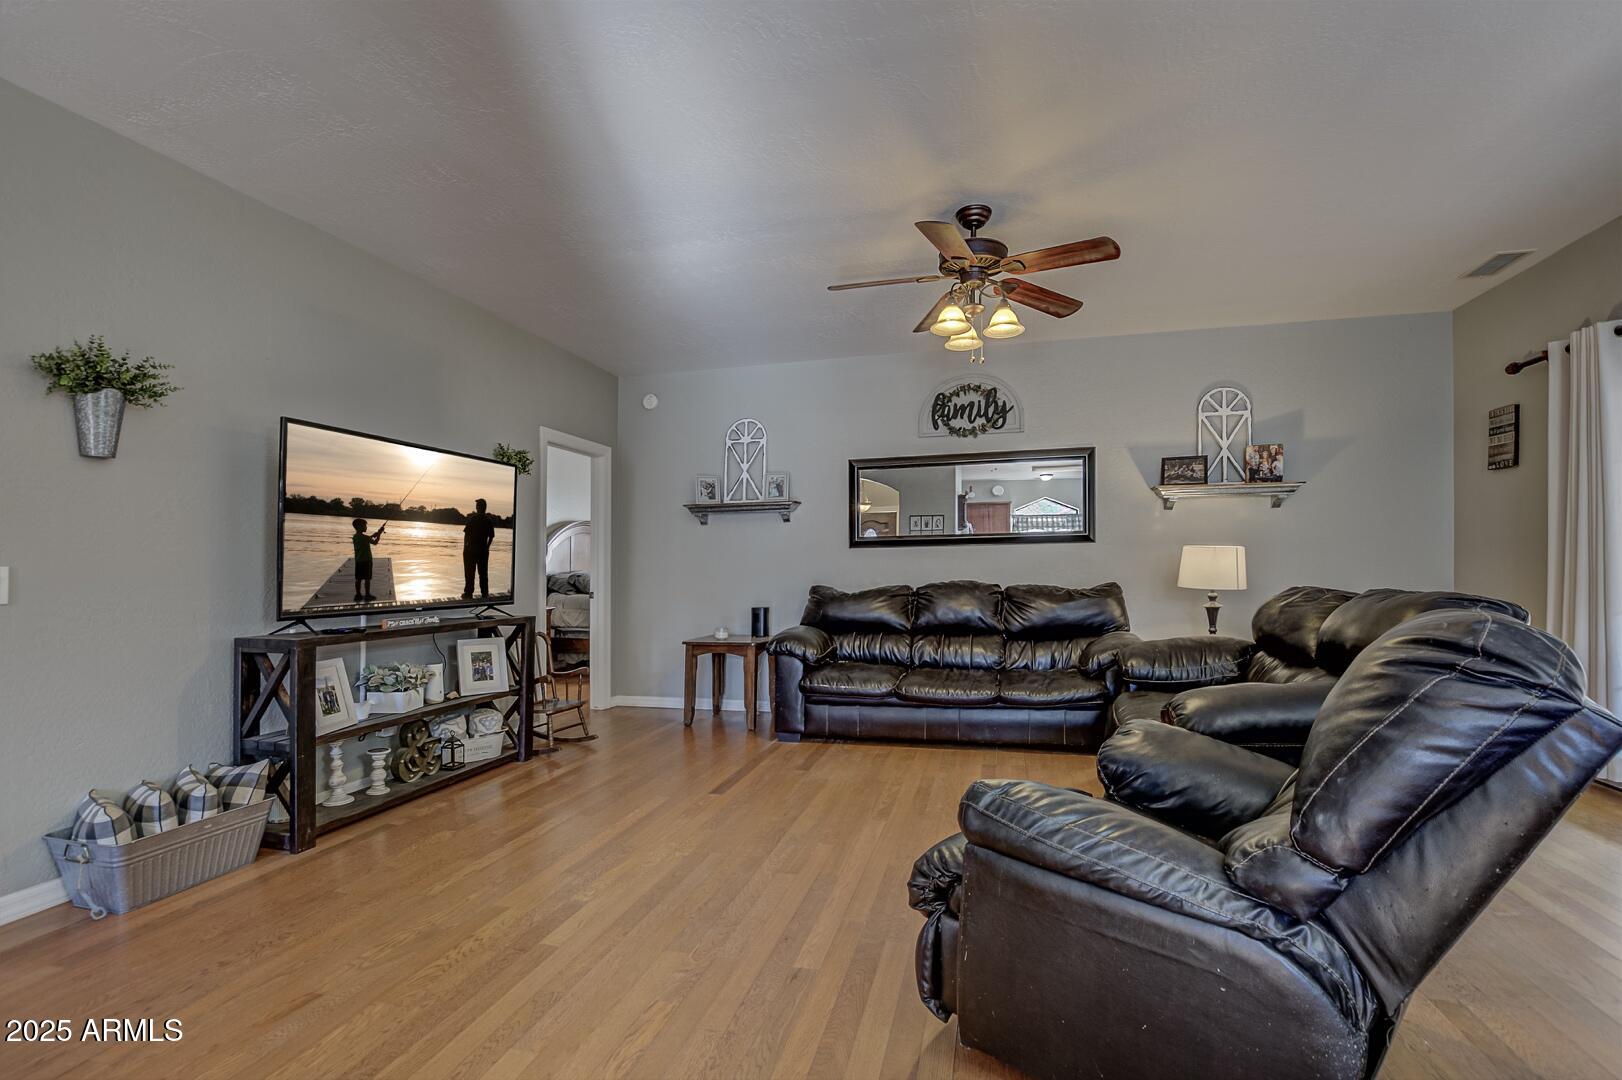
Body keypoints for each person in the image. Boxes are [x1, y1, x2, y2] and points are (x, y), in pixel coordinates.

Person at [462, 498, 497, 599]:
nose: (476, 507)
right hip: (483, 551)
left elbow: (466, 534)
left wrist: (465, 547)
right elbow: (491, 536)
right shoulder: (488, 520)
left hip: (471, 551)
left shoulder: (473, 519)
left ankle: (468, 593)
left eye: (477, 505)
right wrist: (487, 547)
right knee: (483, 574)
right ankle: (484, 594)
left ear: (479, 507)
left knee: (469, 573)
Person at [351, 518, 386, 602]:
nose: (366, 527)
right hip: (367, 561)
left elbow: (366, 539)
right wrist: (379, 534)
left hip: (358, 561)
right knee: (367, 578)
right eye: (365, 525)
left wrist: (374, 535)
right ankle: (367, 595)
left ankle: (358, 594)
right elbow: (375, 542)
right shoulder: (365, 538)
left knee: (358, 579)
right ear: (359, 527)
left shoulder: (355, 537)